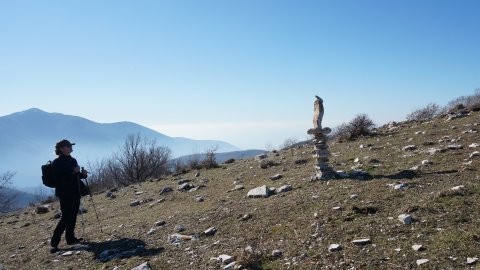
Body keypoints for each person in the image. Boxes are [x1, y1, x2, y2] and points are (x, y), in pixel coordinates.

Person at [50, 139, 88, 253]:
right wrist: (72, 171)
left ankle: (70, 239)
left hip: (75, 191)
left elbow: (76, 175)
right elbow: (58, 178)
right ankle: (54, 243)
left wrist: (83, 174)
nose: (71, 147)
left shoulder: (72, 160)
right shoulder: (56, 162)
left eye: (71, 145)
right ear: (61, 149)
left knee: (73, 215)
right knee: (65, 217)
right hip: (65, 193)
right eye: (68, 146)